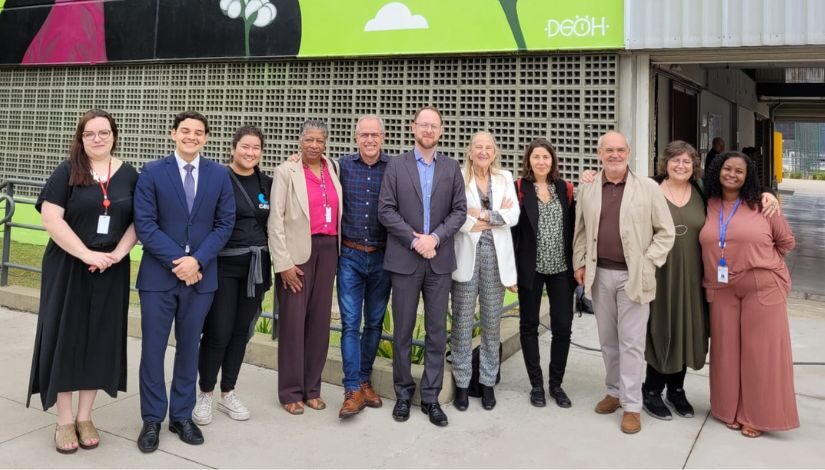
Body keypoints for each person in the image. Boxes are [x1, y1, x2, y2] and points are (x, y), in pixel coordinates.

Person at [26, 109, 138, 454]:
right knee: (66, 336)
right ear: (81, 138)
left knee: (99, 338)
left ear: (114, 135)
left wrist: (118, 253)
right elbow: (51, 218)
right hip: (69, 266)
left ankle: (86, 416)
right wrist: (85, 254)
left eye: (104, 132)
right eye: (90, 134)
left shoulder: (130, 174)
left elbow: (140, 220)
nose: (98, 138)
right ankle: (64, 419)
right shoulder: (67, 171)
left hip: (111, 268)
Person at [134, 111, 235, 453]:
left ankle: (181, 415)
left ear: (206, 138)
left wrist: (198, 260)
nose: (192, 136)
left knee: (189, 348)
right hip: (159, 277)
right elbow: (145, 225)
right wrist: (181, 262)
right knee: (153, 350)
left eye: (199, 132)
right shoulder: (151, 172)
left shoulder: (219, 174)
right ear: (172, 133)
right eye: (185, 131)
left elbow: (225, 224)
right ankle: (151, 419)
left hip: (201, 278)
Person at [572, 130, 675, 435]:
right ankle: (614, 391)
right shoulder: (589, 187)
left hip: (634, 277)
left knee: (631, 343)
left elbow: (665, 232)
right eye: (609, 150)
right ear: (599, 153)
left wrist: (648, 262)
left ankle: (632, 405)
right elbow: (580, 229)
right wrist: (579, 261)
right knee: (607, 340)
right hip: (599, 273)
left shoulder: (648, 188)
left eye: (620, 150)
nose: (614, 155)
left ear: (629, 153)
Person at [699, 151, 798, 438]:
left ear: (748, 176)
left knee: (761, 353)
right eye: (726, 168)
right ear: (717, 170)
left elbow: (786, 242)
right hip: (721, 287)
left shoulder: (763, 204)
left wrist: (762, 262)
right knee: (726, 352)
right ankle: (728, 409)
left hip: (761, 284)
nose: (732, 174)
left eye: (739, 171)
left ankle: (756, 415)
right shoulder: (710, 202)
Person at [378, 105, 466, 427]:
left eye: (434, 126)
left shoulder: (451, 167)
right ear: (413, 127)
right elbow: (386, 210)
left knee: (436, 332)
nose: (428, 130)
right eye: (423, 125)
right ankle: (403, 394)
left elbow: (459, 211)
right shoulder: (397, 166)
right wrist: (415, 240)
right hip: (405, 260)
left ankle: (430, 397)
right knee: (401, 330)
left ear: (441, 131)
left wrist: (436, 238)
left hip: (439, 262)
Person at [193, 125, 273, 425]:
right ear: (233, 148)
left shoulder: (266, 182)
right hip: (224, 266)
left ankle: (229, 391)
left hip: (257, 268)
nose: (250, 153)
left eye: (256, 148)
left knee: (241, 332)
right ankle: (205, 393)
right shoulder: (217, 177)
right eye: (245, 147)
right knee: (219, 331)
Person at [268, 119, 342, 415]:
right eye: (309, 140)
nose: (314, 146)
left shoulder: (333, 168)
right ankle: (290, 391)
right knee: (293, 323)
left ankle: (313, 388)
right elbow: (276, 219)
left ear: (326, 143)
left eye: (319, 141)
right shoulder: (286, 171)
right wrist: (283, 263)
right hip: (297, 255)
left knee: (319, 323)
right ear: (300, 141)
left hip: (328, 250)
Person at [451, 131, 519, 411]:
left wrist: (479, 214)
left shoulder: (504, 177)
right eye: (478, 147)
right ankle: (463, 384)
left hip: (496, 260)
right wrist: (492, 218)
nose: (483, 151)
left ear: (495, 151)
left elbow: (513, 216)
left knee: (492, 323)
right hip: (467, 256)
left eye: (488, 147)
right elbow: (455, 215)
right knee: (462, 324)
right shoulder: (458, 176)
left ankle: (488, 381)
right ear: (470, 151)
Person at [511, 138, 576, 409]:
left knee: (563, 327)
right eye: (536, 157)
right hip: (530, 269)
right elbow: (512, 232)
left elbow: (574, 227)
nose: (541, 162)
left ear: (552, 161)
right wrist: (511, 272)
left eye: (545, 157)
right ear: (528, 161)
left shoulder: (565, 189)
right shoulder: (519, 189)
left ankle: (556, 385)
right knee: (529, 326)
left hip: (561, 268)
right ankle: (536, 385)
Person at [336, 115, 392, 419]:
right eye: (364, 135)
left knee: (373, 323)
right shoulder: (342, 167)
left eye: (375, 135)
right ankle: (352, 389)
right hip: (351, 257)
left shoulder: (394, 168)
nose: (369, 140)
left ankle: (365, 379)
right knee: (349, 324)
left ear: (383, 137)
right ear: (356, 137)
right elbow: (313, 171)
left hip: (383, 258)